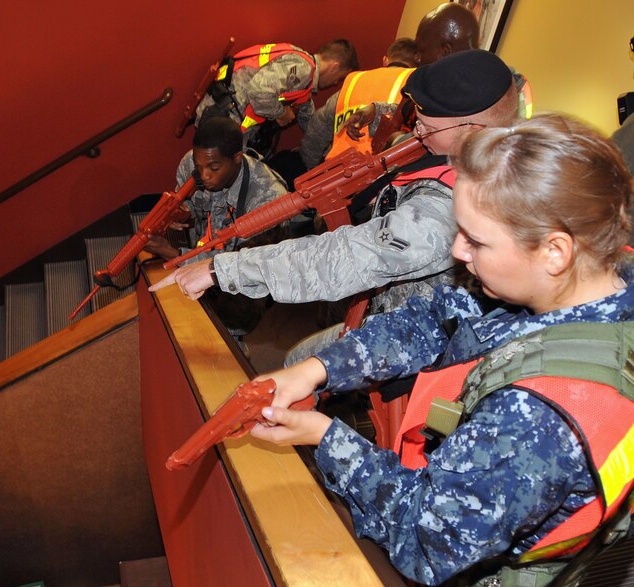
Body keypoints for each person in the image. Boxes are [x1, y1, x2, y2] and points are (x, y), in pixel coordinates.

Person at [248, 114, 634, 587]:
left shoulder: (539, 417)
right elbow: (436, 315)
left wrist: (325, 437)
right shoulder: (598, 279)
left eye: (476, 239)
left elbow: (427, 539)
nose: (458, 250)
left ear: (555, 251)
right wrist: (319, 368)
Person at [151, 50, 521, 365]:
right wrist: (379, 111)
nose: (417, 134)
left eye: (427, 128)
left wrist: (221, 270)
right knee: (301, 359)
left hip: (429, 336)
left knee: (301, 366)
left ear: (472, 129)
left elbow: (345, 257)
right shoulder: (477, 143)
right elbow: (410, 124)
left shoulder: (452, 208)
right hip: (392, 303)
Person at [144, 116, 289, 340]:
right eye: (199, 166)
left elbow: (247, 266)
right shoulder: (191, 165)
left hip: (241, 288)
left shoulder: (269, 200)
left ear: (237, 159)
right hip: (200, 254)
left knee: (223, 338)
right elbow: (192, 206)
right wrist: (182, 214)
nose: (204, 176)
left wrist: (173, 254)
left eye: (213, 167)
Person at [195, 40, 358, 156]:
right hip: (221, 121)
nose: (336, 82)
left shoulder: (304, 80)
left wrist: (332, 146)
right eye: (339, 77)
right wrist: (281, 114)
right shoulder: (303, 69)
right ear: (334, 67)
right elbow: (259, 91)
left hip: (223, 117)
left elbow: (309, 119)